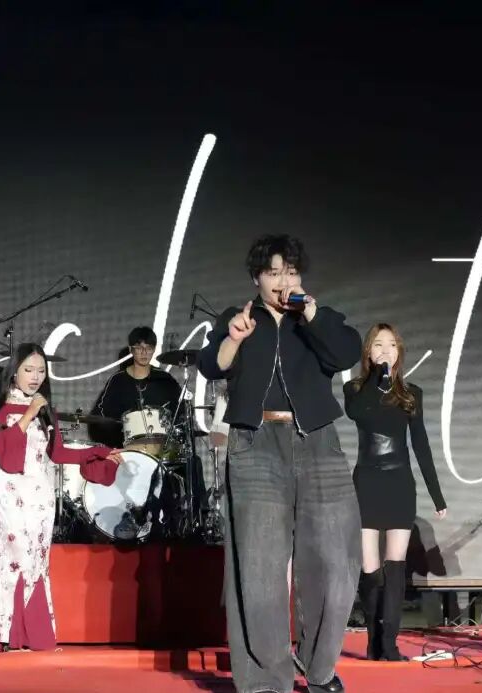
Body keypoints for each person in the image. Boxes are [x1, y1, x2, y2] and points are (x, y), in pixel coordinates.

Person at [198, 234, 361, 693]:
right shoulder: (238, 318)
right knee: (260, 568)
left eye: (290, 271)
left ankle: (318, 667)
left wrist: (310, 312)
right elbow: (211, 363)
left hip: (318, 442)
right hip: (255, 444)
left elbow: (347, 353)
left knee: (336, 560)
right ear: (257, 277)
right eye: (273, 272)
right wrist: (233, 339)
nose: (282, 280)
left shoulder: (316, 318)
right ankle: (266, 679)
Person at [0, 343, 122, 650]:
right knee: (16, 558)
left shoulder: (46, 411)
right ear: (14, 372)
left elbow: (58, 453)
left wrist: (99, 453)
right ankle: (3, 634)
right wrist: (30, 412)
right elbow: (6, 454)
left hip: (40, 494)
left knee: (37, 560)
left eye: (41, 371)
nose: (35, 377)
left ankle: (34, 634)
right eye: (28, 370)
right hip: (9, 491)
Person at [344, 323, 446, 661]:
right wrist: (378, 378)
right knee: (370, 568)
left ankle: (389, 644)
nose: (385, 350)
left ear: (399, 352)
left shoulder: (411, 394)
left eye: (391, 344)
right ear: (368, 353)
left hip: (399, 482)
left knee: (395, 564)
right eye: (378, 345)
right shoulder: (355, 389)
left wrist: (437, 495)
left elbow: (421, 445)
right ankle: (374, 641)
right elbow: (357, 412)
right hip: (367, 482)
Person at [89, 326, 183, 449]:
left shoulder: (165, 379)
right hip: (125, 448)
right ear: (131, 350)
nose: (144, 352)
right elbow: (100, 415)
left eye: (149, 348)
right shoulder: (118, 380)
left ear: (154, 349)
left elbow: (181, 413)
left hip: (161, 449)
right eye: (139, 348)